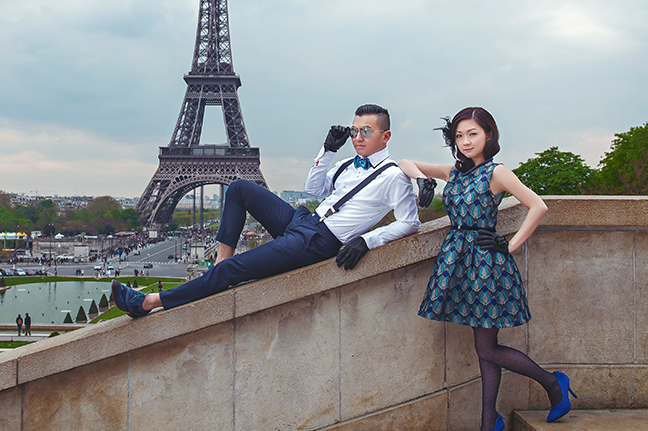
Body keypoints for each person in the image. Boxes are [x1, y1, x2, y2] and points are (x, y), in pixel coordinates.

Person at [113, 104, 431, 318]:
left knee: (233, 272)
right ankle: (219, 261)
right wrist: (328, 150)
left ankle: (148, 302)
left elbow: (410, 223)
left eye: (365, 132)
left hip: (318, 241)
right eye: (354, 131)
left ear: (385, 136)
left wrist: (367, 240)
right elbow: (314, 188)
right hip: (303, 218)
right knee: (238, 187)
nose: (357, 138)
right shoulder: (348, 163)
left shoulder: (393, 176)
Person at [398, 106, 575, 431]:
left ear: (489, 136)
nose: (465, 141)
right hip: (459, 262)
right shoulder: (455, 171)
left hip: (486, 265)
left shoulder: (497, 172)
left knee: (486, 348)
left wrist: (509, 244)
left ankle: (551, 383)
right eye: (460, 135)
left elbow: (537, 206)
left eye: (473, 134)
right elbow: (405, 162)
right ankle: (488, 423)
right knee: (485, 349)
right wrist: (422, 180)